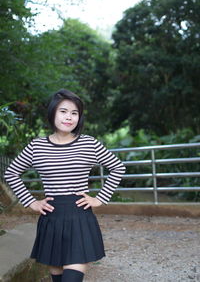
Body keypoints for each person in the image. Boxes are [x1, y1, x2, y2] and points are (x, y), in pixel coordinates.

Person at [4, 89, 126, 282]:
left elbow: (118, 167)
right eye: (63, 111)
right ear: (53, 112)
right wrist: (32, 202)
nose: (69, 117)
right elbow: (11, 172)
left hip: (79, 216)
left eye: (74, 113)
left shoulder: (89, 144)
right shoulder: (37, 147)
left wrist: (100, 198)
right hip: (51, 218)